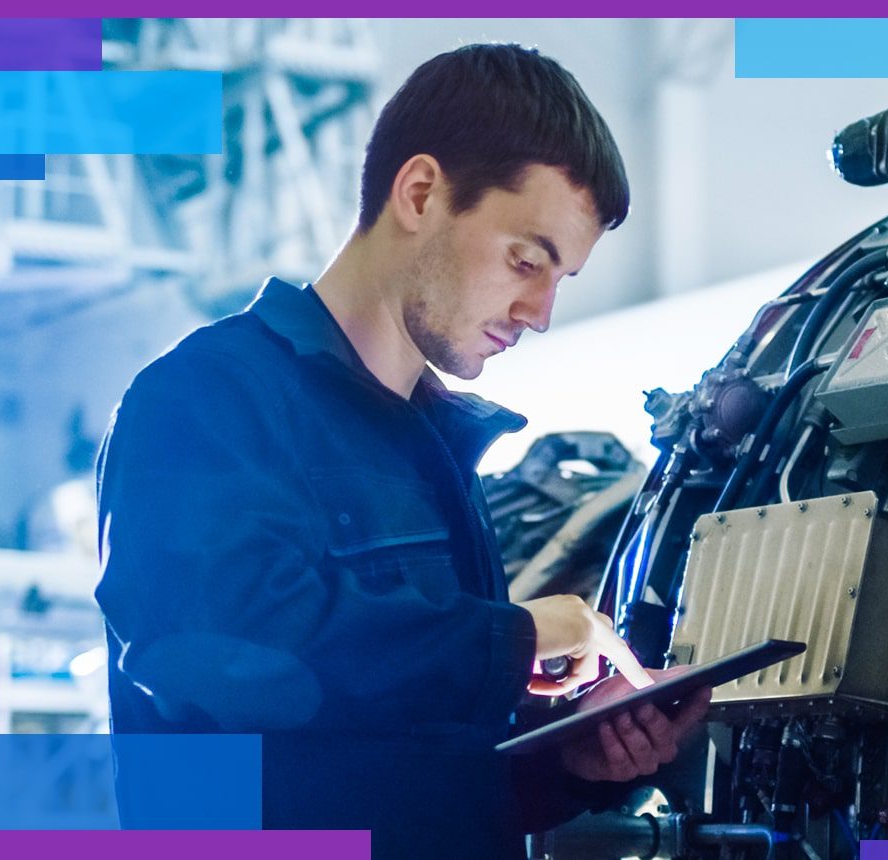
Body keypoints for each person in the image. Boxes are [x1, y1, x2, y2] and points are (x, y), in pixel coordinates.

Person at [93, 43, 711, 857]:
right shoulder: (205, 399)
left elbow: (423, 768)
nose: (539, 311)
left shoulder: (434, 452)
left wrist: (572, 758)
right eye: (527, 261)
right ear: (420, 193)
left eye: (561, 280)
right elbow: (230, 658)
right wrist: (517, 637)